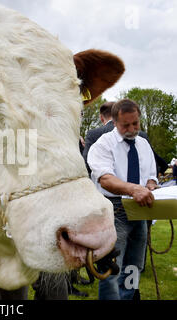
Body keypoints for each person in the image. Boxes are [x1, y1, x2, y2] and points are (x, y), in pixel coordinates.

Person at [87, 99, 158, 300]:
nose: (132, 129)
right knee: (111, 269)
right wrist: (134, 189)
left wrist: (151, 185)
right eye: (125, 125)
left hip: (140, 211)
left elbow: (151, 175)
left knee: (134, 266)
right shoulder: (103, 144)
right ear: (114, 122)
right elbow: (106, 179)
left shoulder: (143, 143)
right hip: (114, 211)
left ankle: (128, 297)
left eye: (135, 123)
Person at [83, 102, 115, 175]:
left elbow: (86, 162)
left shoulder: (93, 134)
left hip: (102, 183)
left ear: (101, 118)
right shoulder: (141, 135)